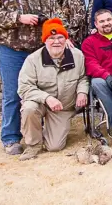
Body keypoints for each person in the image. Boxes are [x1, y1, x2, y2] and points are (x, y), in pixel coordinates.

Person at [0, 0, 52, 156]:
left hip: (37, 51)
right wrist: (18, 17)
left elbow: (50, 18)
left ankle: (37, 134)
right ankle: (11, 138)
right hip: (11, 50)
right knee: (13, 93)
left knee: (41, 91)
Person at [17, 18, 88, 160]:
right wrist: (47, 98)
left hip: (63, 107)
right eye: (52, 38)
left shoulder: (78, 56)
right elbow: (24, 87)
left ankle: (48, 132)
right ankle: (33, 145)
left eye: (60, 37)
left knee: (54, 147)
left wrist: (82, 92)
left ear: (66, 39)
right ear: (44, 40)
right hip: (41, 103)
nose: (56, 41)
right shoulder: (33, 60)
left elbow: (83, 77)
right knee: (29, 107)